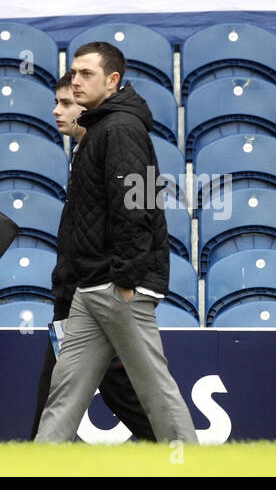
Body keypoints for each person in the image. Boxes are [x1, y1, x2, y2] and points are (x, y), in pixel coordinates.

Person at [35, 42, 197, 443]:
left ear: (113, 80)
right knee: (65, 390)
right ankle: (38, 467)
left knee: (154, 387)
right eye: (74, 73)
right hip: (91, 286)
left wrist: (126, 278)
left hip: (117, 285)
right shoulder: (100, 127)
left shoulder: (121, 129)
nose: (76, 81)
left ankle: (196, 467)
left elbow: (138, 206)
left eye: (86, 74)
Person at [29, 73, 155, 441]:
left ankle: (179, 452)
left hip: (97, 292)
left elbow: (139, 214)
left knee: (122, 391)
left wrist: (122, 281)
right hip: (78, 292)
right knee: (73, 391)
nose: (56, 111)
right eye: (56, 102)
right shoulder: (82, 153)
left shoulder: (112, 146)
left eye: (66, 103)